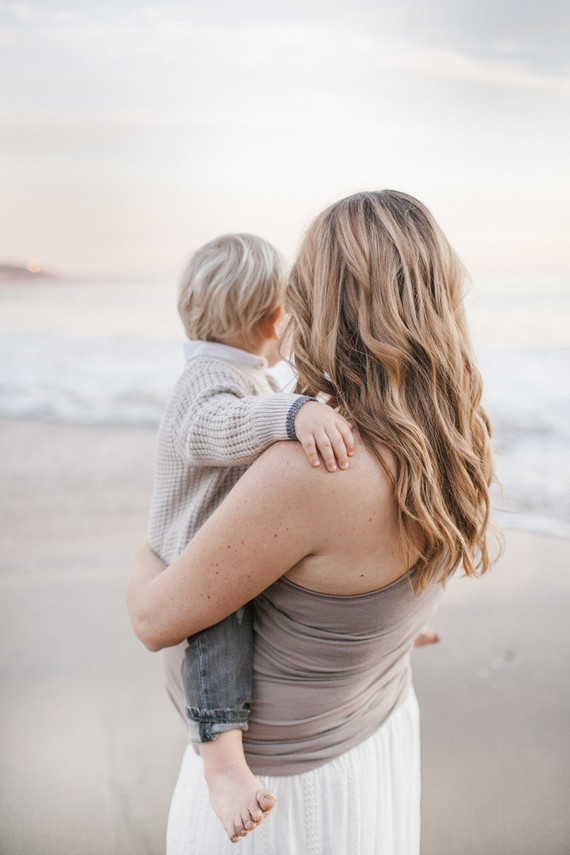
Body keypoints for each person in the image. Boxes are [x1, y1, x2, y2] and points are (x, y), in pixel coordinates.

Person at [128, 190, 495, 854]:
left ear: (328, 303)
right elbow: (366, 588)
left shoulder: (312, 469)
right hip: (375, 741)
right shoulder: (454, 435)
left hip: (281, 800)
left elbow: (153, 618)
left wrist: (155, 538)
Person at [148, 232, 356, 842]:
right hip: (193, 549)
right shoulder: (207, 379)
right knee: (221, 629)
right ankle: (221, 760)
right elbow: (215, 429)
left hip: (229, 538)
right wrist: (294, 415)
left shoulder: (249, 376)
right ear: (275, 318)